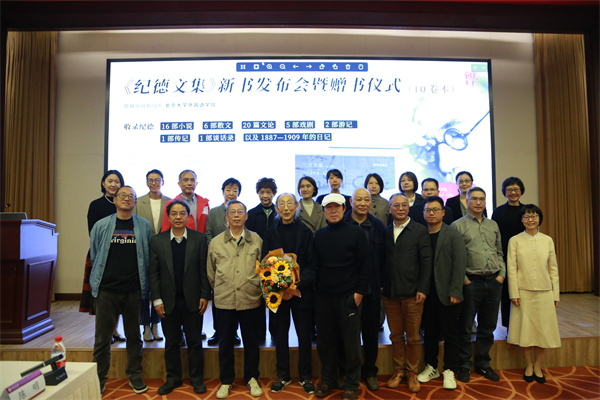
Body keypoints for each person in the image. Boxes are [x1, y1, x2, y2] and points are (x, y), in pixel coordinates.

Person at [89, 186, 152, 395]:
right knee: (102, 339)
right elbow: (95, 254)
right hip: (107, 290)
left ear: (135, 202)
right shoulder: (101, 225)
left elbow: (147, 257)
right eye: (122, 196)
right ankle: (99, 379)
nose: (127, 199)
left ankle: (134, 375)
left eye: (131, 196)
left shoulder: (143, 226)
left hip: (134, 290)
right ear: (115, 200)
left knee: (134, 337)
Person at [149, 200, 210, 395]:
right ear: (168, 217)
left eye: (182, 213)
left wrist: (204, 295)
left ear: (188, 216)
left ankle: (196, 378)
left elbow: (204, 270)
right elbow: (154, 273)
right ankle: (173, 378)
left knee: (195, 342)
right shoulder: (157, 241)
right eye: (174, 213)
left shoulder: (199, 239)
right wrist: (157, 299)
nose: (178, 217)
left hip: (193, 300)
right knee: (171, 343)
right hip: (167, 302)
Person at [313, 193, 370, 400]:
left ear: (344, 209)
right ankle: (328, 379)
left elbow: (366, 266)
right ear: (324, 211)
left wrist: (359, 293)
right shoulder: (319, 235)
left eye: (337, 207)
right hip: (324, 298)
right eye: (329, 208)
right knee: (326, 342)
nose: (333, 211)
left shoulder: (357, 233)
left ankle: (352, 384)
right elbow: (316, 266)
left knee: (351, 344)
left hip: (349, 297)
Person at [207, 200, 264, 399]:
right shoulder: (216, 242)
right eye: (233, 212)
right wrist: (223, 287)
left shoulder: (256, 240)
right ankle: (226, 380)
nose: (237, 215)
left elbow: (263, 269)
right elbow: (211, 272)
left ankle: (252, 378)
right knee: (225, 344)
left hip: (250, 298)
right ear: (227, 217)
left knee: (251, 342)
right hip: (225, 300)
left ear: (246, 216)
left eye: (240, 212)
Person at [262, 193, 317, 395]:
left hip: (301, 292)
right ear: (277, 208)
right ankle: (283, 375)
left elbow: (313, 264)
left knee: (304, 335)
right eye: (282, 204)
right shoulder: (270, 232)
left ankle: (305, 376)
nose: (286, 208)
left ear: (296, 207)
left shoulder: (306, 232)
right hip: (278, 293)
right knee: (280, 334)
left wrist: (297, 283)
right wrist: (279, 284)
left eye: (289, 204)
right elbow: (265, 262)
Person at [452, 187, 505, 383]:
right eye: (474, 199)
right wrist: (465, 280)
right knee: (465, 327)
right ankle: (464, 365)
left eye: (482, 199)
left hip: (494, 282)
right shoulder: (457, 226)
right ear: (467, 201)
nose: (478, 202)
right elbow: (455, 258)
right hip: (471, 283)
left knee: (487, 327)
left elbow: (499, 252)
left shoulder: (493, 225)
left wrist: (501, 275)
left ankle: (483, 363)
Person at [382, 193, 432, 393]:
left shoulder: (420, 230)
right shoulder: (385, 231)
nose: (400, 208)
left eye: (404, 205)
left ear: (409, 208)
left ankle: (412, 373)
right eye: (396, 205)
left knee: (412, 337)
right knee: (395, 336)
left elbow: (426, 262)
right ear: (390, 209)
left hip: (413, 294)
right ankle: (399, 370)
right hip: (390, 294)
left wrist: (423, 289)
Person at [417, 196, 467, 390]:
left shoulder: (452, 234)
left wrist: (455, 290)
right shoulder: (421, 234)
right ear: (423, 213)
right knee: (429, 332)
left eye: (435, 210)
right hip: (426, 293)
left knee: (450, 334)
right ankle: (431, 367)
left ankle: (450, 370)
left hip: (447, 293)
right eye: (428, 210)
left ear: (443, 213)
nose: (431, 213)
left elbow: (459, 264)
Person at [507, 204, 560, 384]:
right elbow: (512, 269)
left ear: (539, 218)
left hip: (545, 293)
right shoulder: (515, 240)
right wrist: (514, 293)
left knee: (543, 332)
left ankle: (538, 366)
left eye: (534, 216)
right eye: (527, 217)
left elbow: (553, 269)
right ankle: (528, 365)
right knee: (526, 332)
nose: (531, 220)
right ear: (521, 220)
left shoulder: (547, 240)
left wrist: (555, 294)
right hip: (523, 293)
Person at [343, 188, 386, 391]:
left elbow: (383, 258)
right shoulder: (342, 223)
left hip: (371, 290)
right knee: (348, 335)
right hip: (347, 290)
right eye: (358, 199)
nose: (362, 203)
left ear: (370, 203)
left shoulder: (378, 226)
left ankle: (370, 372)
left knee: (370, 333)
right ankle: (348, 372)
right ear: (351, 202)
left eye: (366, 200)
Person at [80, 169, 126, 344]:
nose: (113, 184)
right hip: (100, 254)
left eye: (117, 181)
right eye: (110, 181)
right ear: (103, 183)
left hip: (121, 254)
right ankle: (104, 333)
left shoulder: (124, 203)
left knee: (118, 295)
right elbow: (93, 232)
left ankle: (115, 330)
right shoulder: (96, 205)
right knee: (102, 296)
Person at [133, 169, 171, 342]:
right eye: (150, 180)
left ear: (163, 182)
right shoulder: (138, 202)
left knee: (159, 288)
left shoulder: (170, 202)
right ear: (146, 182)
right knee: (144, 288)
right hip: (143, 249)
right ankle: (145, 326)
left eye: (157, 180)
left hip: (163, 249)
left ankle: (156, 324)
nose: (154, 183)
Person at [205, 178, 243, 346]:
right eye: (228, 190)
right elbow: (208, 234)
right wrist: (214, 251)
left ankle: (234, 332)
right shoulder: (214, 212)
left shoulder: (241, 211)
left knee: (236, 299)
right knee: (218, 297)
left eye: (235, 190)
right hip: (218, 258)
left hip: (238, 259)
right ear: (223, 192)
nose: (231, 193)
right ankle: (217, 331)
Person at [492, 177, 526, 331]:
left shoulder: (526, 211)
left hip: (524, 256)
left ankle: (524, 324)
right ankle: (509, 327)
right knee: (507, 292)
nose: (513, 192)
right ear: (504, 192)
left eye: (516, 189)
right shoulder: (498, 212)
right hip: (505, 255)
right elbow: (494, 235)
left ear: (521, 191)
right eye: (509, 190)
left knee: (524, 289)